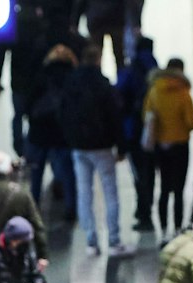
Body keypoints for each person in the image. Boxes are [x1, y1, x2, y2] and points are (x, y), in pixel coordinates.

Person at [61, 45, 130, 256]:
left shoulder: (70, 83)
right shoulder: (103, 85)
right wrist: (121, 146)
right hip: (102, 146)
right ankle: (114, 240)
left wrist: (70, 138)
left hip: (79, 147)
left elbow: (62, 113)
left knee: (84, 193)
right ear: (98, 59)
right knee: (110, 192)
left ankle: (91, 241)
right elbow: (115, 118)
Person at [143, 58, 193, 232]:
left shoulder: (154, 91)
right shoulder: (183, 92)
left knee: (164, 189)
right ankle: (176, 228)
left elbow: (146, 116)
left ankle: (162, 229)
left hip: (161, 146)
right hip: (180, 145)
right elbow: (191, 121)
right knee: (179, 190)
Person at [25, 44, 79, 215]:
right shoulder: (73, 80)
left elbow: (27, 105)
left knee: (36, 175)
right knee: (67, 174)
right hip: (61, 135)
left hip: (38, 134)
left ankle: (33, 207)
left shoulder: (40, 77)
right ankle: (71, 208)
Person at [117, 35, 161, 234]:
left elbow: (118, 97)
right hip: (156, 132)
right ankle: (146, 209)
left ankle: (144, 213)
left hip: (134, 131)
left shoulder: (130, 71)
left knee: (139, 174)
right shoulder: (157, 72)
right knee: (149, 172)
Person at [8, 1, 54, 155]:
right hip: (34, 81)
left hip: (18, 81)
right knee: (35, 115)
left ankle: (19, 147)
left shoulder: (14, 32)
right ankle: (32, 147)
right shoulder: (40, 34)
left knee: (17, 115)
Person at [71, 0, 137, 67]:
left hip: (97, 19)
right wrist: (136, 22)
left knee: (94, 57)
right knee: (119, 56)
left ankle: (94, 75)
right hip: (115, 19)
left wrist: (75, 22)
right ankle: (122, 76)